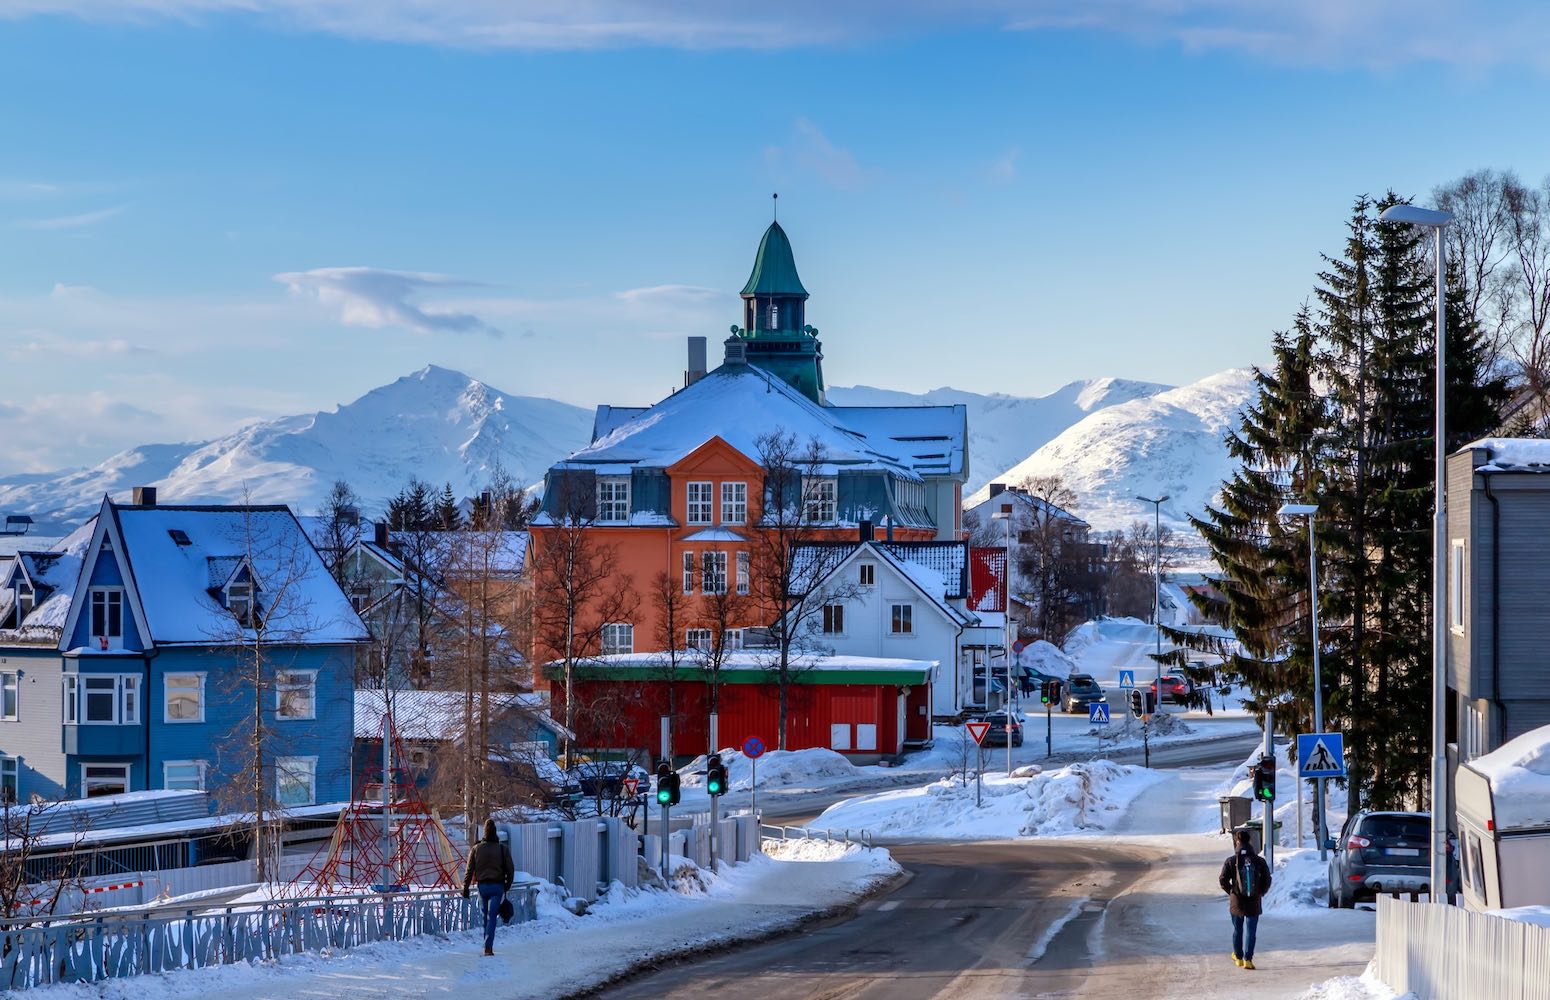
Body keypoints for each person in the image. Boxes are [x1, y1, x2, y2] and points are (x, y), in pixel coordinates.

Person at [1218, 828, 1272, 969]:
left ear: (1237, 842)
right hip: (1254, 900)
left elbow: (1223, 880)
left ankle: (1238, 956)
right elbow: (1267, 879)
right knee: (1251, 931)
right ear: (1250, 841)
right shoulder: (1259, 861)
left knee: (1238, 929)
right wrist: (1261, 892)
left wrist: (1231, 892)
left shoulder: (1231, 861)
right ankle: (1248, 959)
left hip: (1237, 901)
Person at [462, 818, 515, 956]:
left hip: (482, 887)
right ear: (495, 832)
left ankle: (487, 945)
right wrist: (506, 886)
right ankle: (488, 947)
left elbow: (469, 870)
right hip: (497, 887)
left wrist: (466, 888)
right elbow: (510, 870)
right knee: (492, 917)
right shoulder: (502, 849)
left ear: (484, 832)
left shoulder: (476, 849)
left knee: (485, 916)